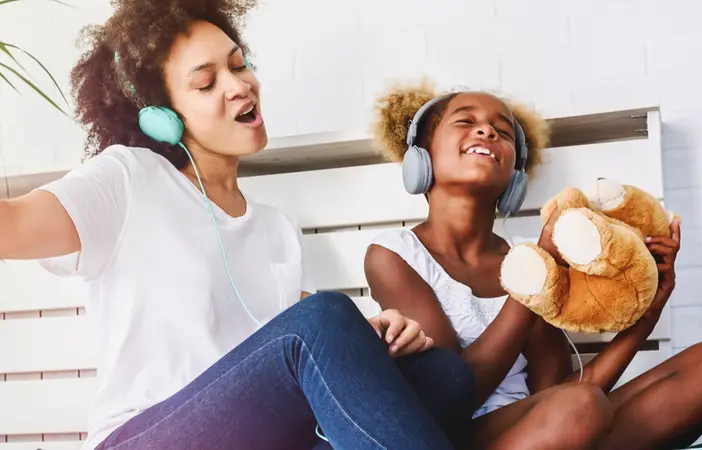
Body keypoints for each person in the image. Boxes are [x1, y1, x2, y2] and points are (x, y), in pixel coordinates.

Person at [0, 3, 477, 450]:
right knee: (325, 319)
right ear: (163, 118)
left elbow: (302, 352)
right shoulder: (128, 179)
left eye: (239, 63)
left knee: (444, 377)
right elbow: (11, 225)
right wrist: (333, 329)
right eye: (206, 84)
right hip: (145, 438)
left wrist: (371, 337)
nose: (239, 85)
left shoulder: (277, 227)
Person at [364, 80, 702, 450]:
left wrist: (650, 308)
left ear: (514, 176)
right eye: (465, 121)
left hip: (551, 431)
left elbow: (564, 389)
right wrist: (536, 273)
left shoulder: (525, 255)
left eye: (503, 131)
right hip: (458, 437)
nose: (487, 132)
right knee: (579, 410)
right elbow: (453, 394)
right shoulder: (393, 254)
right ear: (422, 155)